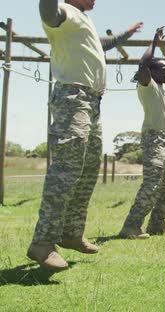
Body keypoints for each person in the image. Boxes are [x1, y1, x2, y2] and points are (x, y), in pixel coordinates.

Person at [27, 0, 142, 271]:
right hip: (73, 98)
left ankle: (71, 233)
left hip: (93, 103)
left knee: (89, 170)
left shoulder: (83, 20)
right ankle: (42, 242)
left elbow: (102, 43)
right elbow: (48, 11)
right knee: (66, 170)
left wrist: (127, 33)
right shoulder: (63, 13)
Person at [119, 27, 165, 239]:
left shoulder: (163, 85)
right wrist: (154, 42)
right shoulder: (147, 86)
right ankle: (131, 226)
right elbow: (142, 64)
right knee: (152, 183)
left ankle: (157, 224)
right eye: (163, 69)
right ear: (151, 71)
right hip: (153, 139)